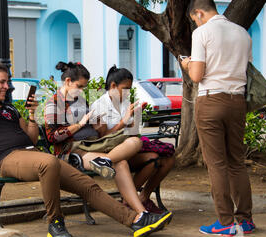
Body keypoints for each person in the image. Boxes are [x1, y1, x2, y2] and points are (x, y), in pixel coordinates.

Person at [0, 61, 172, 237]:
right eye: (3, 82)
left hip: (33, 153)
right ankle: (55, 223)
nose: (8, 87)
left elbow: (32, 137)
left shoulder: (9, 109)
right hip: (8, 159)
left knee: (88, 185)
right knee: (49, 162)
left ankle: (136, 220)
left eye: (8, 82)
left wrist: (32, 116)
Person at [44, 61, 173, 224]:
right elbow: (52, 137)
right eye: (80, 86)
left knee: (132, 146)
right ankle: (140, 212)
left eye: (84, 87)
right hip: (73, 150)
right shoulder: (54, 103)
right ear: (68, 82)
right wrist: (79, 125)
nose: (82, 91)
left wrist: (100, 125)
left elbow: (102, 134)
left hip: (95, 144)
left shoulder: (81, 101)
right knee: (123, 161)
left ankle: (142, 214)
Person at [181, 0, 255, 236]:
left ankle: (224, 222)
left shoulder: (201, 33)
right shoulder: (243, 33)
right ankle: (245, 220)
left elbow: (197, 76)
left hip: (211, 100)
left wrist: (187, 64)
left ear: (199, 13)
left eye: (195, 19)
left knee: (216, 163)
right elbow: (246, 68)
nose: (196, 24)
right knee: (236, 161)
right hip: (237, 101)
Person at [90, 66, 175, 213]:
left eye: (129, 88)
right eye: (125, 88)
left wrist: (134, 121)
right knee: (153, 159)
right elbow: (102, 138)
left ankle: (143, 197)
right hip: (113, 153)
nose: (128, 92)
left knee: (168, 160)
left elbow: (134, 135)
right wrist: (123, 122)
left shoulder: (126, 103)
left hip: (130, 149)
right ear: (113, 86)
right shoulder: (99, 105)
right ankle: (129, 200)